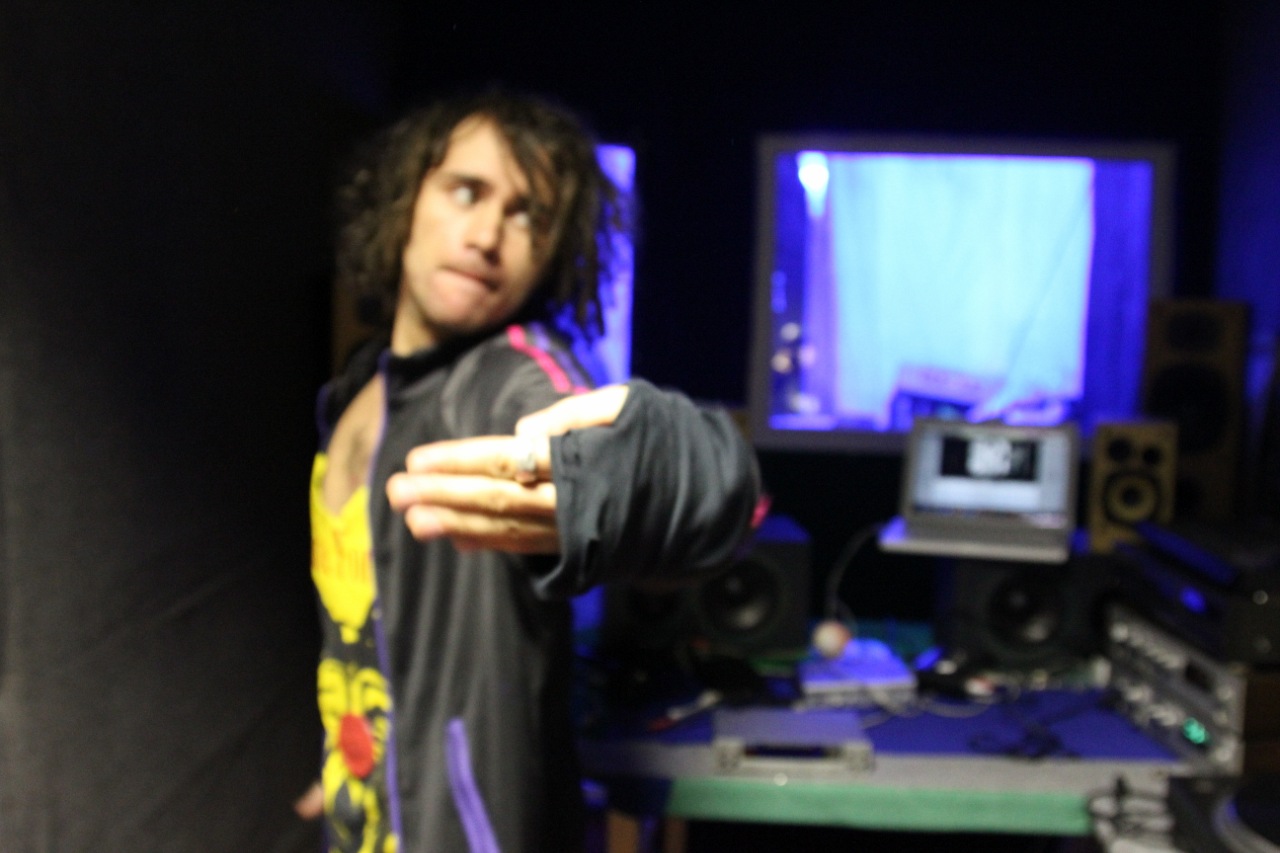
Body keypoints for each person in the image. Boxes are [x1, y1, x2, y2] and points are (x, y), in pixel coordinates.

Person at [302, 88, 762, 853]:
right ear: (404, 198)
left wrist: (641, 475)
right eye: (467, 192)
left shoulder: (507, 375)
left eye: (528, 216)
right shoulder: (355, 390)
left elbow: (709, 485)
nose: (487, 235)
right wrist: (350, 768)